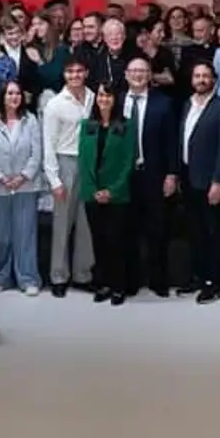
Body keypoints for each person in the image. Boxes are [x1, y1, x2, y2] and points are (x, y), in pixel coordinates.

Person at [120, 57, 179, 298]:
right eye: (133, 70)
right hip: (123, 177)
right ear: (125, 74)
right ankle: (131, 280)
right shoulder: (115, 101)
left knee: (157, 230)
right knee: (127, 230)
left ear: (150, 75)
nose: (138, 75)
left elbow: (172, 142)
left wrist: (172, 174)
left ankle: (158, 279)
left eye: (143, 71)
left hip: (154, 175)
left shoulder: (164, 103)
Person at [0, 80, 45, 295]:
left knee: (25, 234)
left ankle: (28, 279)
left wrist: (23, 176)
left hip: (26, 186)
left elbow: (37, 153)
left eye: (17, 93)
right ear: (2, 96)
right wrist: (0, 178)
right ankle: (1, 277)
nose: (14, 97)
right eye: (9, 93)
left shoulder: (31, 121)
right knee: (1, 236)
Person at [180, 61, 220, 302]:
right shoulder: (187, 104)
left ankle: (213, 281)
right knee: (195, 231)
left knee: (213, 232)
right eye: (197, 75)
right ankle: (198, 276)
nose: (201, 79)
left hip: (209, 180)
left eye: (205, 76)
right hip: (189, 177)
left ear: (213, 79)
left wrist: (218, 181)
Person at [41, 59, 96, 294]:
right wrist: (54, 180)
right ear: (64, 75)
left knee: (85, 223)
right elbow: (48, 144)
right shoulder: (55, 104)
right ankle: (58, 276)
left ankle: (83, 274)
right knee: (63, 222)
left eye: (79, 71)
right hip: (66, 162)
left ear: (86, 72)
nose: (75, 75)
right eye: (70, 71)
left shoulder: (94, 97)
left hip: (88, 163)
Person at [77, 85, 134, 305]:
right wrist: (93, 190)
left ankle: (119, 286)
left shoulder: (126, 126)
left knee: (116, 241)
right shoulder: (87, 126)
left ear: (114, 99)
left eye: (108, 95)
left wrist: (111, 190)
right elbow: (84, 160)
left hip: (116, 195)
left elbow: (128, 162)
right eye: (101, 95)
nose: (104, 99)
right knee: (98, 241)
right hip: (92, 193)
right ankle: (103, 284)